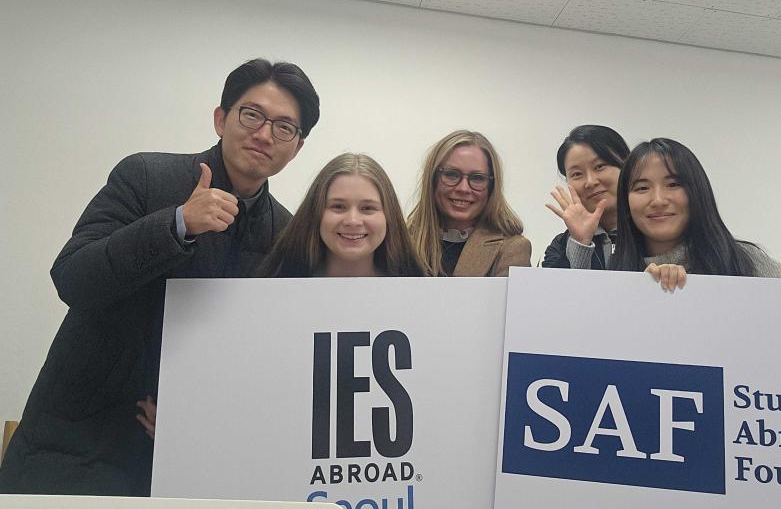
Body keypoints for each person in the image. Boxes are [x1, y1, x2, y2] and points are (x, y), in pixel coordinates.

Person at [0, 58, 320, 496]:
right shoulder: (147, 176)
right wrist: (177, 223)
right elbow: (73, 276)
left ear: (297, 147)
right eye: (252, 115)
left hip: (191, 461)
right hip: (78, 447)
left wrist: (202, 416)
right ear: (221, 118)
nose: (265, 134)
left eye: (285, 127)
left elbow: (264, 359)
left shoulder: (285, 233)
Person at [611, 138, 781, 291]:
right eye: (642, 188)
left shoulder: (744, 259)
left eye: (673, 184)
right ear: (626, 203)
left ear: (697, 193)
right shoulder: (615, 274)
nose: (658, 200)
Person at [258, 153, 423, 278]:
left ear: (389, 216)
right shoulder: (271, 289)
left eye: (367, 208)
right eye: (338, 206)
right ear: (315, 213)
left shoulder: (421, 295)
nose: (352, 220)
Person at [407, 130, 531, 277]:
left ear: (492, 187)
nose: (463, 188)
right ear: (432, 179)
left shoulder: (512, 249)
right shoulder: (400, 243)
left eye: (477, 178)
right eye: (451, 174)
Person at [543, 125, 630, 270]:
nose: (590, 182)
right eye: (577, 174)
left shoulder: (653, 233)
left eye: (600, 166)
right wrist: (581, 244)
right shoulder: (560, 247)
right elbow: (556, 291)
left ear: (627, 166)